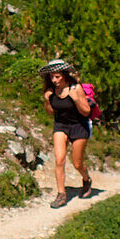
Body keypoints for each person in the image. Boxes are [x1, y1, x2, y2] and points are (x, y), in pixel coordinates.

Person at [40, 59, 93, 208]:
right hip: (61, 125)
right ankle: (61, 194)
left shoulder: (76, 88)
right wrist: (47, 100)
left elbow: (86, 111)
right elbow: (50, 112)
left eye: (57, 76)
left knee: (77, 163)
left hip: (79, 126)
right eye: (51, 77)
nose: (54, 80)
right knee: (59, 159)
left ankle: (86, 179)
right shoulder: (51, 91)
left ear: (64, 75)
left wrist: (76, 99)